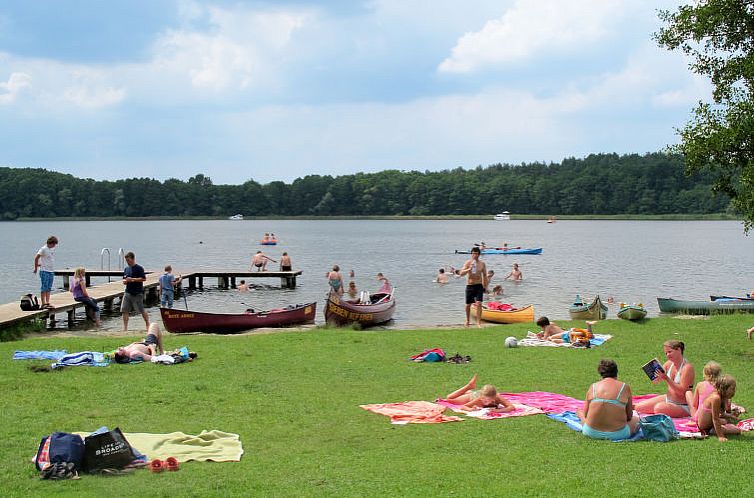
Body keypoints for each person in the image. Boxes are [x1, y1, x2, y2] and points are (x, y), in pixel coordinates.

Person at [577, 359, 639, 440]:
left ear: (601, 373)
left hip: (591, 432)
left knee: (582, 414)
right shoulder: (624, 387)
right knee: (636, 419)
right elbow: (629, 416)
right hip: (618, 434)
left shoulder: (593, 387)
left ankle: (579, 414)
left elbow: (586, 415)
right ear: (616, 372)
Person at [635, 340, 695, 417]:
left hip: (682, 405)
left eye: (670, 352)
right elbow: (656, 381)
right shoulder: (669, 364)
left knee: (658, 408)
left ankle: (688, 413)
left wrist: (666, 378)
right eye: (666, 353)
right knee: (639, 407)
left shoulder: (687, 368)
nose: (668, 355)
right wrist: (652, 373)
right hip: (668, 399)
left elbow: (682, 392)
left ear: (679, 350)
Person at [694, 374, 741, 441]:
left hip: (709, 423)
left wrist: (731, 415)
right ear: (724, 388)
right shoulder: (716, 398)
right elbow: (715, 418)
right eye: (732, 389)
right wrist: (720, 436)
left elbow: (720, 414)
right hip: (705, 427)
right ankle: (713, 431)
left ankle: (715, 429)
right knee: (737, 430)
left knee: (725, 421)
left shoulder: (721, 397)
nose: (734, 391)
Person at [442, 374, 514, 413]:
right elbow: (463, 406)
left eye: (486, 401)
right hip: (472, 397)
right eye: (483, 399)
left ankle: (468, 391)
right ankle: (468, 387)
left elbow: (511, 407)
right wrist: (471, 410)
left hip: (477, 394)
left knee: (452, 398)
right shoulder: (480, 399)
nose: (483, 401)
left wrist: (498, 411)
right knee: (449, 398)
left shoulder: (498, 397)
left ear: (493, 398)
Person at [457, 246, 489, 327]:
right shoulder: (468, 263)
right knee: (468, 304)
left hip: (479, 285)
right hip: (470, 285)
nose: (475, 255)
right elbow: (461, 273)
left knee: (479, 303)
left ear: (479, 254)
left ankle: (478, 322)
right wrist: (468, 269)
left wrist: (485, 287)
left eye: (476, 253)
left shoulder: (482, 264)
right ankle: (467, 321)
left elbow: (485, 275)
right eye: (473, 253)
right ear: (471, 254)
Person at [121, 251, 150, 331]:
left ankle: (147, 323)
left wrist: (133, 279)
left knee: (141, 310)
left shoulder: (139, 268)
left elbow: (143, 278)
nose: (127, 262)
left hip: (137, 293)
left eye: (128, 260)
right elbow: (125, 278)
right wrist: (125, 281)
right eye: (126, 261)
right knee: (124, 310)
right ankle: (125, 328)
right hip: (127, 292)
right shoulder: (126, 269)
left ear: (133, 259)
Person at [33, 235, 58, 309]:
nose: (54, 246)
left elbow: (47, 260)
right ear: (51, 243)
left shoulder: (51, 249)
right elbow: (36, 257)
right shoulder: (43, 249)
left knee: (49, 287)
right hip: (44, 271)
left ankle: (47, 302)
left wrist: (41, 264)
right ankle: (43, 303)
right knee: (44, 287)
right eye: (54, 244)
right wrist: (35, 268)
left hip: (51, 271)